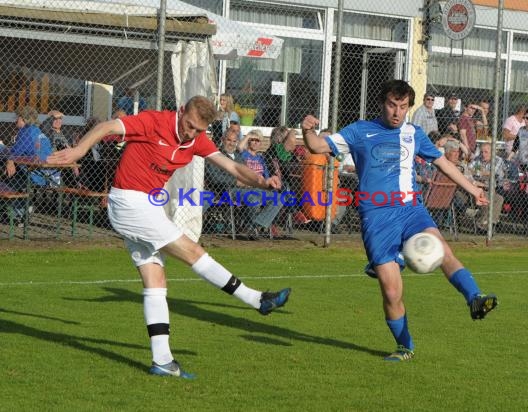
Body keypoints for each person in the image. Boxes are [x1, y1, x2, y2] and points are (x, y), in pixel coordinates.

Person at [47, 96, 291, 379]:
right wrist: (79, 150)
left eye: (198, 130)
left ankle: (162, 361)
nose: (190, 133)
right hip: (128, 202)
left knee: (156, 281)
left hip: (148, 206)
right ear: (181, 112)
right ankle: (256, 299)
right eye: (188, 126)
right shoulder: (154, 121)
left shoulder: (197, 140)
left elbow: (234, 168)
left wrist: (263, 183)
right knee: (193, 252)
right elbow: (106, 127)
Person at [301, 80, 498, 362]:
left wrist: (472, 188)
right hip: (377, 217)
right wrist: (307, 130)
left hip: (410, 209)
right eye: (393, 105)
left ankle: (475, 298)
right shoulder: (359, 131)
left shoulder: (414, 133)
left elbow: (442, 163)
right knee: (391, 292)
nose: (397, 112)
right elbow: (318, 145)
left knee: (442, 250)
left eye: (403, 107)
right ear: (382, 104)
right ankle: (404, 345)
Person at [5, 107, 58, 223]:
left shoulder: (26, 132)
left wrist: (10, 160)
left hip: (36, 174)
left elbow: (14, 152)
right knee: (14, 175)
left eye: (17, 118)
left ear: (23, 119)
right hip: (49, 174)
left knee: (8, 180)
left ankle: (19, 214)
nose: (15, 121)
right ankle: (22, 211)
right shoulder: (37, 131)